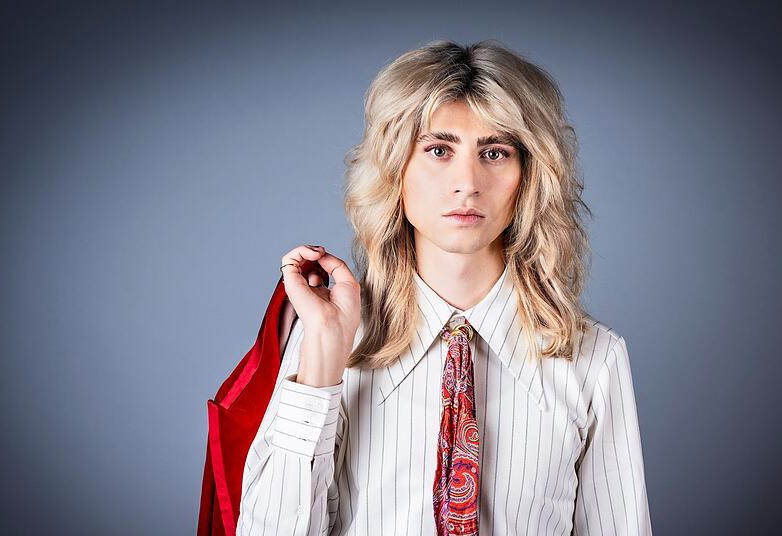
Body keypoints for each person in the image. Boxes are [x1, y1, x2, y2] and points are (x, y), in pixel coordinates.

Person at [235, 39, 652, 536]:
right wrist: (323, 358)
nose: (467, 183)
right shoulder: (331, 342)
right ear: (396, 168)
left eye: (495, 152)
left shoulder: (594, 360)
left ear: (529, 174)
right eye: (438, 150)